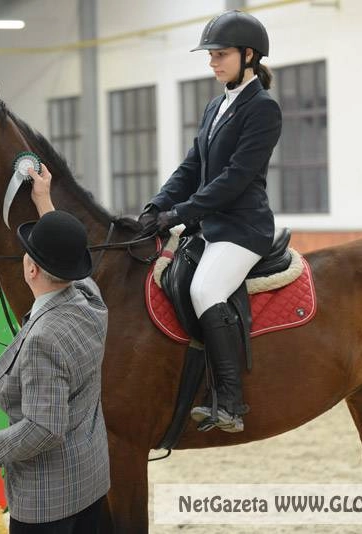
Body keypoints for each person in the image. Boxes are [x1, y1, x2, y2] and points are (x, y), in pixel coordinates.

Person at [138, 10, 282, 433]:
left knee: (205, 289)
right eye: (211, 55)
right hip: (210, 226)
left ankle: (231, 401)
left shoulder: (263, 109)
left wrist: (180, 213)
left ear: (248, 55)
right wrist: (157, 206)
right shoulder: (216, 105)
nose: (213, 62)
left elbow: (235, 178)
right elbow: (191, 167)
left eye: (221, 55)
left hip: (242, 229)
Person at [0, 164, 110, 534]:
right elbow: (70, 260)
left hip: (48, 503)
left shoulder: (44, 339)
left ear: (31, 270)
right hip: (90, 480)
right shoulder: (90, 300)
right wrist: (43, 199)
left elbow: (44, 428)